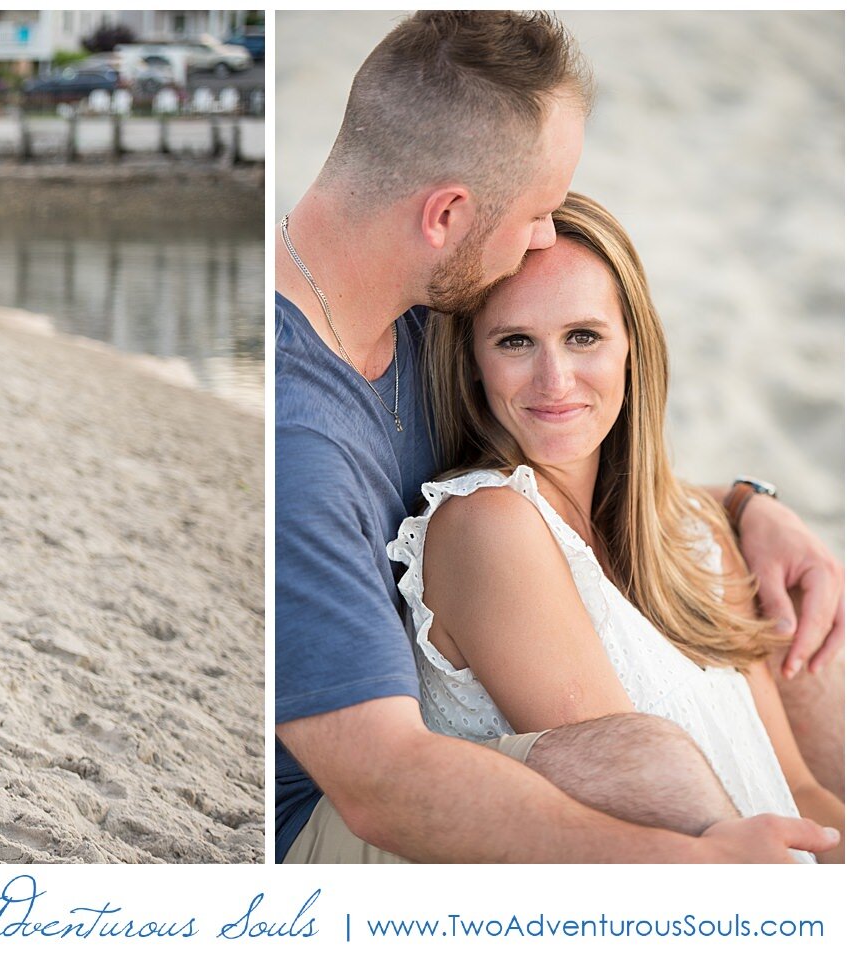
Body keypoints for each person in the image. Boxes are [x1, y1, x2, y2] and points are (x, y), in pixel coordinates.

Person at [274, 11, 844, 863]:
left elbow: (586, 438)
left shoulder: (430, 308)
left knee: (804, 621)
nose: (545, 235)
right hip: (342, 820)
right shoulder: (300, 442)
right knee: (641, 759)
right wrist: (690, 869)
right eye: (539, 210)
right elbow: (381, 785)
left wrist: (744, 505)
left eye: (583, 337)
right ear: (449, 215)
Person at [390, 192, 844, 863]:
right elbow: (650, 803)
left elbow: (796, 790)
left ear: (633, 345)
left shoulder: (695, 533)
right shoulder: (487, 527)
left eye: (584, 336)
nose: (556, 379)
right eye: (515, 341)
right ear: (474, 363)